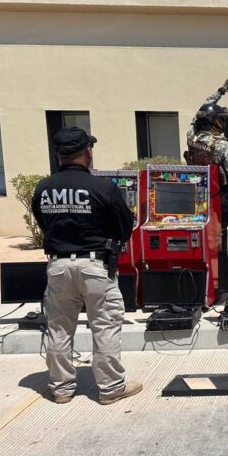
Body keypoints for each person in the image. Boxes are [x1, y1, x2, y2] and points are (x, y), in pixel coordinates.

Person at [31, 127, 141, 405]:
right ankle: (111, 388)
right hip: (95, 266)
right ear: (88, 152)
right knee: (104, 326)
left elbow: (44, 224)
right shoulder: (101, 187)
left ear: (59, 155)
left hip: (58, 266)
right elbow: (125, 225)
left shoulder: (43, 187)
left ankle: (62, 389)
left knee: (58, 327)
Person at [185, 78, 228, 188]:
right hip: (218, 194)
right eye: (220, 119)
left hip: (196, 186)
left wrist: (222, 90)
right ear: (214, 121)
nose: (222, 122)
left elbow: (202, 111)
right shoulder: (223, 146)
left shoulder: (191, 135)